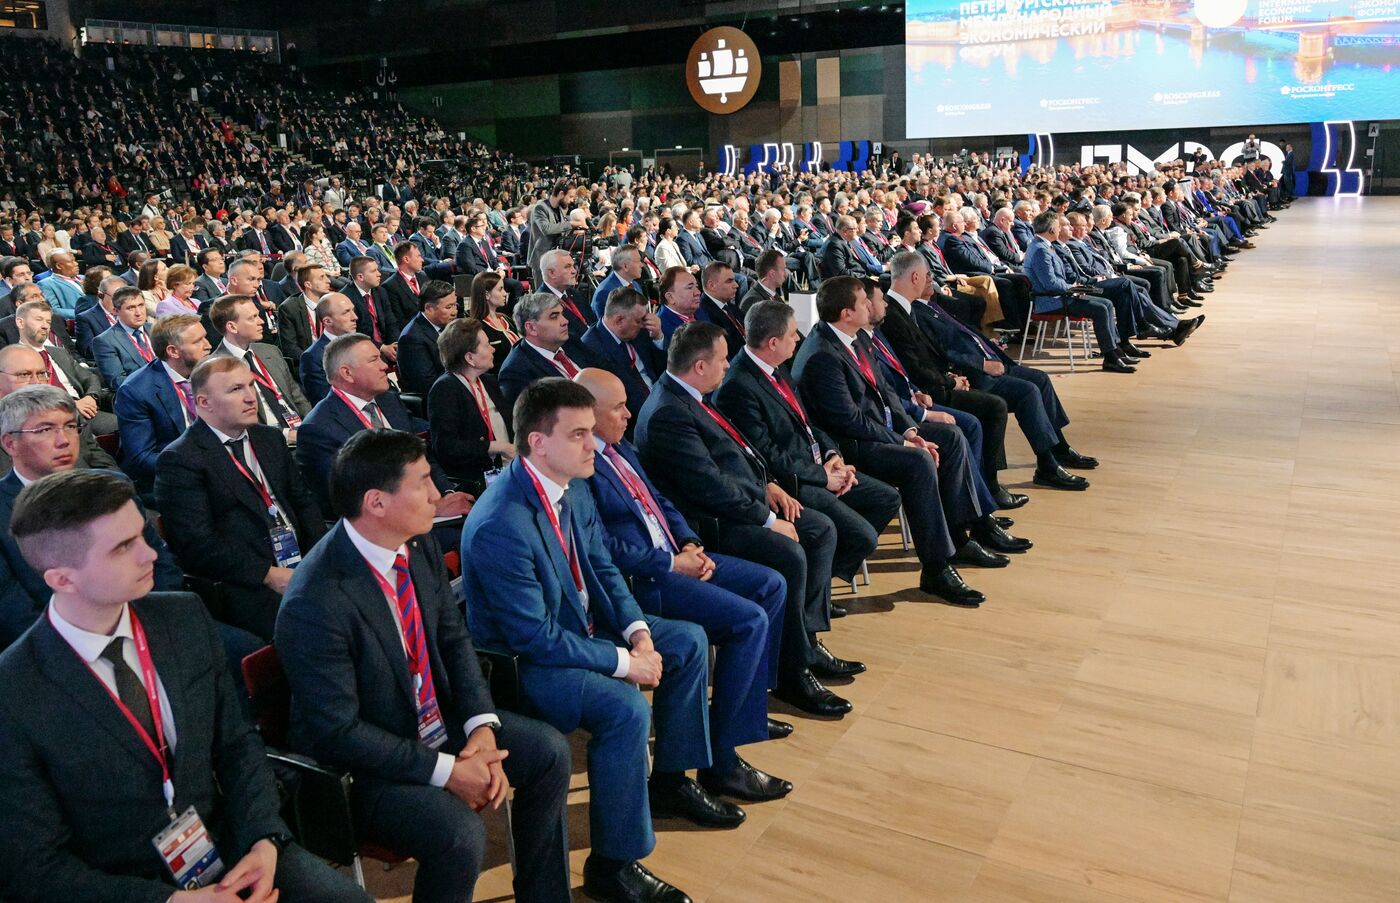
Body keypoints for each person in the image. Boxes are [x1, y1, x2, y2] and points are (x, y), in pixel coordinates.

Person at [0, 469, 371, 903]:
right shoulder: (15, 689)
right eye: (123, 548)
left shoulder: (183, 617)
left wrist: (263, 839)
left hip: (227, 845)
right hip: (124, 883)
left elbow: (237, 742)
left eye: (141, 535)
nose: (149, 555)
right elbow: (36, 868)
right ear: (62, 579)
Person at [276, 428, 573, 903]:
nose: (437, 494)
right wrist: (446, 770)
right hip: (363, 766)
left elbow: (454, 640)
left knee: (548, 752)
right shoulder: (316, 599)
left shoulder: (416, 543)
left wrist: (481, 729)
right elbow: (339, 732)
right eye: (422, 482)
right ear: (376, 502)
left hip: (433, 722)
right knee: (458, 833)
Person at [461, 378, 711, 903]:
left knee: (684, 641)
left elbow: (601, 566)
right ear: (537, 442)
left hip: (581, 628)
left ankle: (670, 781)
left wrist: (638, 632)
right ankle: (615, 864)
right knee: (623, 707)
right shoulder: (501, 521)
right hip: (526, 666)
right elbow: (535, 638)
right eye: (578, 434)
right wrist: (625, 662)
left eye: (591, 432)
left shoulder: (571, 485)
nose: (593, 444)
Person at [579, 367, 797, 764]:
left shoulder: (621, 448)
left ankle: (744, 710)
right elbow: (602, 546)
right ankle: (726, 752)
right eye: (620, 408)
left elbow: (659, 500)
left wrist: (689, 542)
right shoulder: (582, 464)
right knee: (748, 621)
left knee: (771, 584)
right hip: (646, 577)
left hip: (677, 553)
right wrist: (672, 562)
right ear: (589, 413)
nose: (630, 414)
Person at [635, 321, 853, 717]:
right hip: (711, 524)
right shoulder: (668, 411)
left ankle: (804, 641)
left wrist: (768, 485)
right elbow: (710, 487)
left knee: (819, 530)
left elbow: (738, 453)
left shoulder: (692, 396)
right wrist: (768, 519)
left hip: (744, 501)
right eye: (721, 360)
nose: (727, 366)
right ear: (700, 366)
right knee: (788, 552)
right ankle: (792, 674)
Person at [791, 276, 994, 607]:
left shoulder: (855, 338)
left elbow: (887, 394)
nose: (870, 305)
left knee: (951, 437)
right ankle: (936, 568)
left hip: (879, 432)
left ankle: (959, 536)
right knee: (918, 462)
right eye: (863, 302)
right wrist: (905, 443)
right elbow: (850, 421)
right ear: (846, 313)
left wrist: (911, 432)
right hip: (851, 446)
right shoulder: (821, 355)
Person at [713, 301, 902, 599]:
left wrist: (832, 457)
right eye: (792, 334)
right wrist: (822, 476)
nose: (799, 339)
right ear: (773, 343)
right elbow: (766, 453)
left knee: (887, 498)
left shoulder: (778, 367)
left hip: (819, 467)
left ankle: (819, 587)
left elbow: (808, 422)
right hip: (793, 481)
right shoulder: (738, 385)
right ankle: (813, 599)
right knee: (860, 535)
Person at [155, 356, 327, 641]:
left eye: (251, 386)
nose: (251, 398)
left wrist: (318, 556)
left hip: (301, 561)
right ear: (204, 402)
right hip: (245, 580)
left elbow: (303, 503)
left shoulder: (269, 438)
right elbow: (197, 545)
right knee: (319, 626)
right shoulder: (181, 459)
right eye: (236, 390)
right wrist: (268, 574)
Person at [0, 386, 180, 647]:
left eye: (71, 426)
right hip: (65, 649)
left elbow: (161, 563)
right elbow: (13, 612)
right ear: (10, 443)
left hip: (152, 624)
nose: (64, 440)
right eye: (45, 430)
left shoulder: (113, 485)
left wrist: (152, 623)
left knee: (244, 649)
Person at [296, 333, 473, 521]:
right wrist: (431, 508)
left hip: (427, 506)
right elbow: (351, 500)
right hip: (382, 527)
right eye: (373, 360)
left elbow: (421, 455)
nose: (384, 366)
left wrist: (447, 493)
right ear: (347, 373)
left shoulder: (389, 400)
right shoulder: (318, 429)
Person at [1023, 210, 1136, 373]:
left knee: (1107, 303)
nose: (1060, 228)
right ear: (1051, 230)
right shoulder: (1041, 249)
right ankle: (1110, 357)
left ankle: (1115, 351)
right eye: (1057, 225)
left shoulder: (1042, 246)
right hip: (1051, 300)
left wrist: (1073, 287)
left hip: (1061, 295)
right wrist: (1073, 288)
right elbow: (1051, 284)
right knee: (1100, 309)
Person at [113, 313, 211, 494]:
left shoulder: (211, 373)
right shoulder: (136, 391)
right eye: (198, 341)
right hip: (171, 480)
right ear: (173, 351)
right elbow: (142, 458)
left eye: (205, 337)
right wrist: (198, 465)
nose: (208, 345)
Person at [428, 318, 515, 497]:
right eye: (487, 345)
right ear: (470, 358)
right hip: (476, 480)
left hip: (508, 469)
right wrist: (495, 446)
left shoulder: (488, 381)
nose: (493, 349)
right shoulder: (445, 389)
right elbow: (447, 448)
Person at [208, 294, 312, 438]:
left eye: (258, 315)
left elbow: (297, 396)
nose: (261, 321)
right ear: (232, 326)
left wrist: (311, 425)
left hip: (300, 431)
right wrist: (286, 435)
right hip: (265, 440)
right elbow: (235, 421)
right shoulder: (216, 369)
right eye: (252, 318)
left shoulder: (270, 351)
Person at [581, 287, 666, 429]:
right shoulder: (592, 347)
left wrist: (658, 337)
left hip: (663, 400)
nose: (643, 324)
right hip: (638, 421)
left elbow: (663, 369)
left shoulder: (640, 331)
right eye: (639, 321)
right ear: (619, 320)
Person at [498, 292, 586, 411]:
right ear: (531, 328)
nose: (565, 321)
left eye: (562, 314)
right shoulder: (516, 372)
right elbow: (541, 420)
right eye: (554, 316)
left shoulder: (571, 342)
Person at [397, 279, 458, 397]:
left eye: (455, 305)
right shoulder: (411, 339)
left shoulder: (447, 324)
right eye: (449, 307)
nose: (454, 312)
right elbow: (427, 384)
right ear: (429, 308)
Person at [91, 286, 156, 389]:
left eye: (141, 305)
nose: (138, 313)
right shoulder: (104, 341)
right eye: (131, 308)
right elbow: (118, 381)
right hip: (140, 395)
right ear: (116, 311)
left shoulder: (156, 330)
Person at [299, 292, 359, 404]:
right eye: (346, 312)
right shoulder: (313, 357)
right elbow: (326, 402)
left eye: (353, 310)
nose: (355, 317)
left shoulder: (363, 344)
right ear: (327, 321)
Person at [276, 263, 334, 363]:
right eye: (321, 278)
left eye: (326, 276)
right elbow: (290, 348)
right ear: (308, 284)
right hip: (307, 363)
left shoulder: (332, 302)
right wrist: (315, 361)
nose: (328, 281)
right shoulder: (289, 308)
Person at [469, 270, 519, 373]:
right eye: (500, 289)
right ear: (487, 295)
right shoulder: (478, 328)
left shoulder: (505, 319)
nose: (505, 293)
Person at [526, 181, 575, 287]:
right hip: (541, 259)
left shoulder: (560, 209)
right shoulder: (540, 207)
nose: (572, 200)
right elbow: (546, 228)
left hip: (556, 259)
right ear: (561, 194)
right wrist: (570, 224)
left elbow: (561, 229)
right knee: (543, 297)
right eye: (570, 196)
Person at [74, 273, 124, 359]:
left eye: (124, 297)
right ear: (101, 295)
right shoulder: (85, 319)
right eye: (116, 297)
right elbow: (88, 350)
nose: (120, 302)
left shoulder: (130, 312)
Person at [591, 246, 647, 321]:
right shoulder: (605, 292)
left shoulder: (635, 285)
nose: (642, 265)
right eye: (638, 261)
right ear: (625, 266)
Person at [37, 250, 84, 319]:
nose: (76, 264)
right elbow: (54, 310)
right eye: (71, 261)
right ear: (59, 266)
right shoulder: (46, 284)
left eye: (75, 260)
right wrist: (85, 314)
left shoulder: (84, 277)